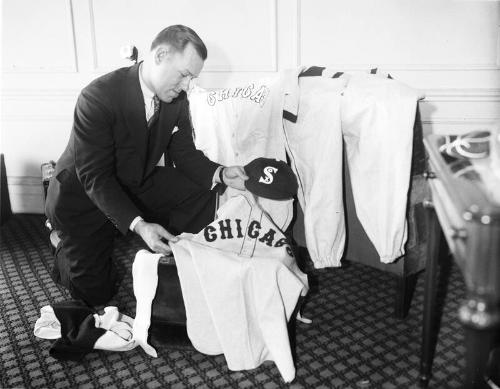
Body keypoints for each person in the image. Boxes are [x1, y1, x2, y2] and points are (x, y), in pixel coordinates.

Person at [45, 25, 248, 307]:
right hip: (83, 198)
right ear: (161, 55)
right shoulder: (97, 97)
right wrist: (140, 226)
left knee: (201, 189)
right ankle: (61, 243)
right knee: (97, 294)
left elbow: (185, 153)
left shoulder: (176, 99)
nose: (188, 85)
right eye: (185, 74)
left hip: (133, 182)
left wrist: (221, 173)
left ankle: (182, 260)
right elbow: (96, 178)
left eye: (193, 78)